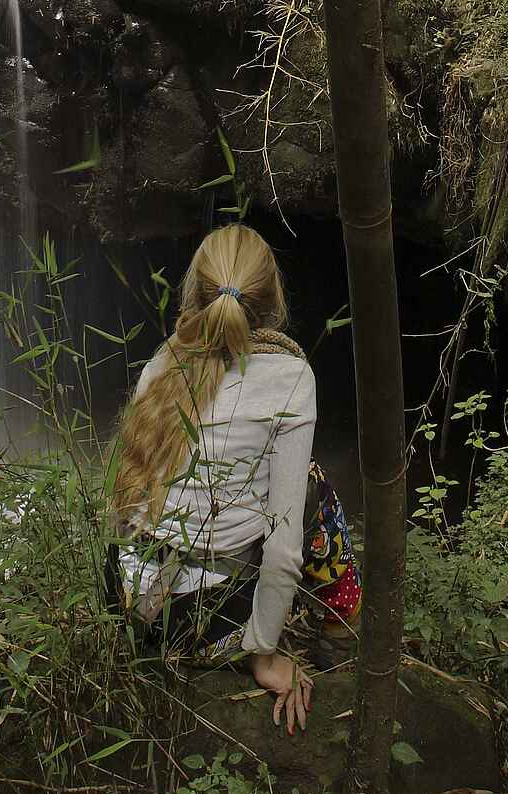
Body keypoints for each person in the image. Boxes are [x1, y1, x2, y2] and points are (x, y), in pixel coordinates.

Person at [107, 223, 362, 734]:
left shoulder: (164, 361)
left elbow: (123, 508)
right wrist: (263, 654)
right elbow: (284, 546)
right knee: (315, 489)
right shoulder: (290, 377)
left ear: (195, 292)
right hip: (206, 630)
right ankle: (341, 633)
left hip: (130, 611)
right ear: (272, 298)